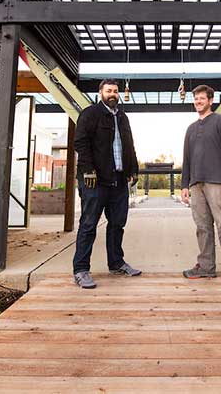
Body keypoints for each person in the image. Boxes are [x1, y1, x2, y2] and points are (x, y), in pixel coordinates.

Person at [72, 79, 141, 289]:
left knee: (117, 224)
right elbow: (81, 143)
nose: (113, 94)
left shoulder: (122, 117)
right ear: (100, 92)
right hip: (95, 181)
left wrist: (133, 169)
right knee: (89, 225)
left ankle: (116, 263)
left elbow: (129, 145)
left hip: (118, 180)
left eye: (115, 91)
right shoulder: (90, 114)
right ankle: (81, 269)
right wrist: (87, 170)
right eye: (109, 91)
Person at [180, 84, 221, 287]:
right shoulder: (190, 128)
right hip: (196, 184)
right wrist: (184, 185)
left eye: (201, 98)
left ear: (210, 100)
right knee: (202, 227)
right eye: (196, 99)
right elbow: (187, 159)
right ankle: (206, 267)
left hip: (217, 182)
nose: (198, 102)